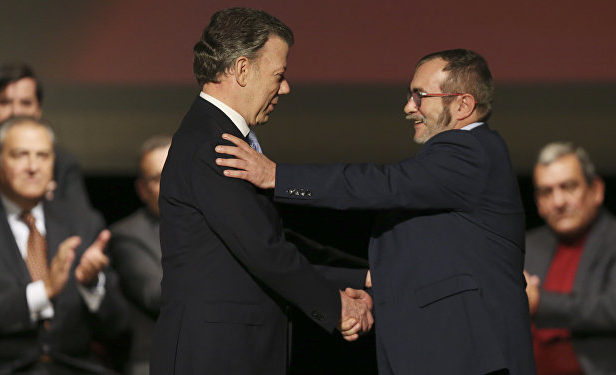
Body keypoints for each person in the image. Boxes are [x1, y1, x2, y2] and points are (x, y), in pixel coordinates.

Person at [216, 49, 536, 374]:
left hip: (472, 359)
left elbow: (383, 184)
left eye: (420, 96)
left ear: (463, 105)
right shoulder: (451, 172)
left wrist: (277, 176)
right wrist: (374, 292)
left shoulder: (472, 150)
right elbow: (430, 260)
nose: (408, 107)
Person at [150, 7, 372, 375]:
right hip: (214, 357)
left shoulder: (221, 136)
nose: (286, 87)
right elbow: (264, 250)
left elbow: (272, 239)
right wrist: (337, 307)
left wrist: (360, 277)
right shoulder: (211, 143)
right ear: (241, 70)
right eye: (279, 75)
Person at [0, 116, 129, 374]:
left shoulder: (83, 222)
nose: (33, 166)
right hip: (0, 369)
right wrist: (44, 291)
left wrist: (91, 286)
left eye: (43, 156)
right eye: (20, 155)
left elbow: (119, 326)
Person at [524, 142, 616, 375]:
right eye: (546, 192)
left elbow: (615, 310)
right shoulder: (526, 245)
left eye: (568, 187)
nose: (558, 201)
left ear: (596, 190)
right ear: (538, 202)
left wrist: (538, 302)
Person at [0, 61, 90, 212]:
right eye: (4, 102)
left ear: (38, 110)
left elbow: (83, 223)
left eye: (25, 103)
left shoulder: (63, 163)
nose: (15, 112)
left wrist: (46, 205)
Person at [109, 135, 170, 375]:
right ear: (142, 190)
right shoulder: (127, 235)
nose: (169, 183)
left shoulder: (216, 225)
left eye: (175, 171)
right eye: (157, 178)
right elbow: (157, 295)